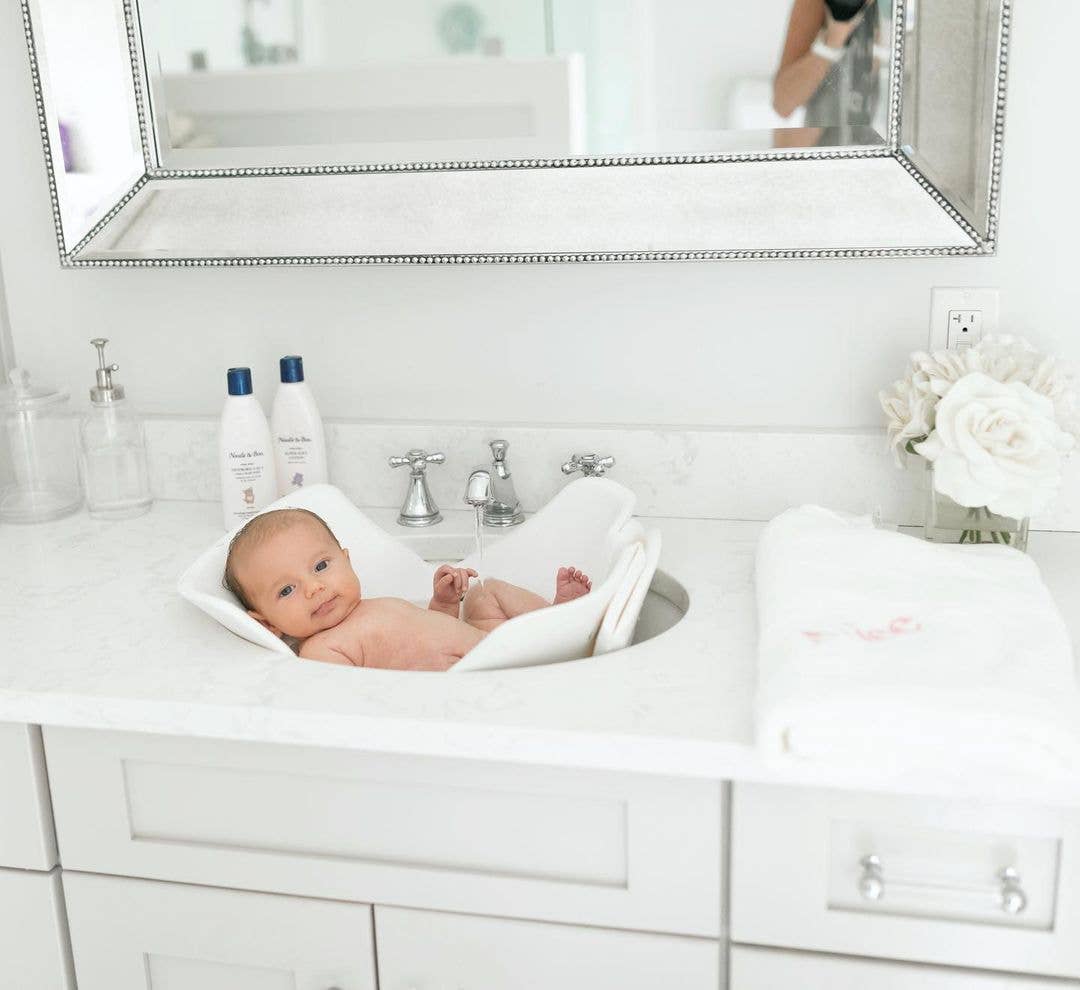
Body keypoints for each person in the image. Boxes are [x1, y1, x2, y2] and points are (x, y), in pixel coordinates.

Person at [223, 508, 592, 671]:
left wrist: (445, 602)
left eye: (321, 567)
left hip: (480, 638)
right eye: (286, 591)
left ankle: (554, 617)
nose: (314, 588)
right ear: (268, 623)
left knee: (485, 591)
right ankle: (558, 641)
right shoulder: (322, 651)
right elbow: (365, 699)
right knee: (513, 646)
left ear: (346, 560)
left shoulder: (368, 606)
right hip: (469, 672)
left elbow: (426, 629)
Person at [773, 0, 882, 148]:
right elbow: (783, 104)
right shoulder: (817, 4)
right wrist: (834, 39)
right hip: (828, 158)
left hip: (901, 160)